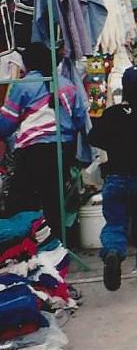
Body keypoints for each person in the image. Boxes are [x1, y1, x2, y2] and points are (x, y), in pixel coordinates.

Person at [0, 42, 88, 240]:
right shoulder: (67, 84)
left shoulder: (24, 85)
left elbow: (6, 124)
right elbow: (80, 118)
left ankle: (27, 243)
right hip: (62, 149)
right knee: (54, 200)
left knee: (20, 200)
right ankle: (57, 244)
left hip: (33, 151)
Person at [89, 65, 137, 289]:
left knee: (115, 223)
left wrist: (116, 143)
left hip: (115, 178)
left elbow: (94, 138)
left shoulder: (112, 113)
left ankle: (113, 252)